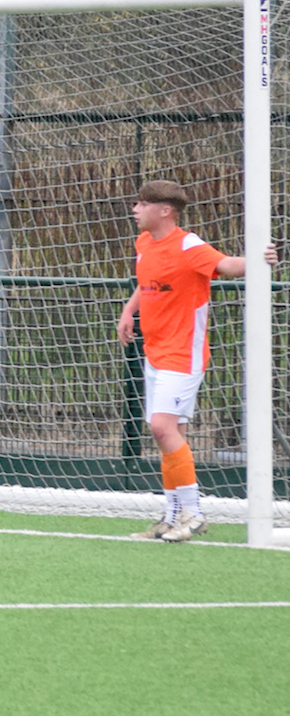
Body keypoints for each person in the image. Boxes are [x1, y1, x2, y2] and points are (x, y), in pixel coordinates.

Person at [116, 178, 278, 542]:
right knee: (171, 436)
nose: (135, 209)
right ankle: (172, 516)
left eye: (142, 204)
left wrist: (259, 259)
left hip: (182, 354)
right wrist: (129, 311)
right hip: (155, 351)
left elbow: (227, 265)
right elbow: (146, 284)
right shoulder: (144, 243)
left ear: (165, 211)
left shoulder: (189, 245)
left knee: (162, 427)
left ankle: (193, 513)